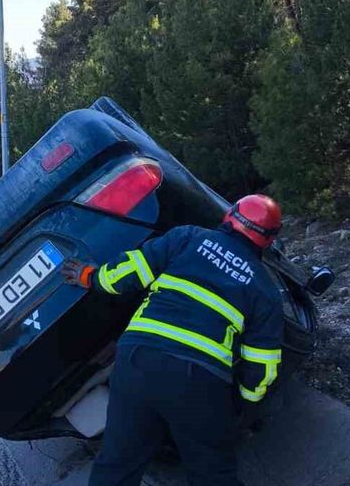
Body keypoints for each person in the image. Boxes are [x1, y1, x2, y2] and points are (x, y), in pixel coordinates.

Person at [61, 194, 285, 486]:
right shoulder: (264, 289)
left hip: (137, 360)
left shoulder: (188, 237)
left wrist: (89, 276)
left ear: (230, 215)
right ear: (268, 240)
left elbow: (125, 275)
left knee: (117, 463)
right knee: (212, 473)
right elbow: (262, 366)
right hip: (199, 379)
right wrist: (242, 403)